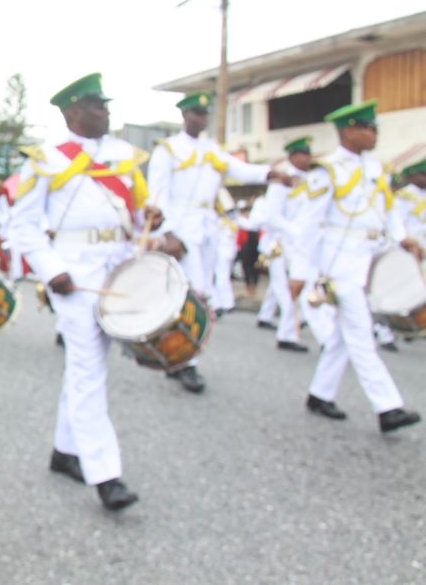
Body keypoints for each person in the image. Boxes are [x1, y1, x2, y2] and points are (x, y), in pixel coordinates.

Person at [8, 73, 158, 510]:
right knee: (89, 370)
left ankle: (63, 452)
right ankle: (106, 474)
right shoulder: (46, 159)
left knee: (88, 369)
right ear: (71, 111)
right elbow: (23, 225)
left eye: (105, 104)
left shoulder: (124, 157)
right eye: (95, 105)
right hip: (73, 275)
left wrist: (154, 226)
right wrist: (51, 269)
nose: (105, 111)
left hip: (119, 269)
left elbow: (135, 214)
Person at [147, 92, 294, 393]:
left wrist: (271, 174)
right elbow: (156, 194)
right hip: (181, 227)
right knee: (195, 294)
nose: (201, 119)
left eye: (205, 114)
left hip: (207, 228)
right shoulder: (168, 150)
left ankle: (174, 354)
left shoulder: (212, 150)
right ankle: (187, 363)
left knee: (194, 295)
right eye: (196, 114)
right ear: (184, 116)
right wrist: (169, 232)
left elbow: (241, 170)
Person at [294, 100, 420, 433]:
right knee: (361, 333)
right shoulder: (327, 171)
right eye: (368, 128)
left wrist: (402, 237)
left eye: (374, 127)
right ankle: (388, 407)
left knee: (340, 337)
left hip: (368, 259)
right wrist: (300, 274)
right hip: (339, 262)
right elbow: (306, 227)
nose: (375, 133)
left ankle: (320, 395)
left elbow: (389, 210)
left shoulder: (377, 169)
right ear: (348, 131)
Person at [251, 137, 314, 351]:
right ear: (292, 157)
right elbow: (272, 216)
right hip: (280, 243)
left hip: (300, 244)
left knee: (296, 288)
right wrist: (296, 231)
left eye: (308, 154)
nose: (307, 158)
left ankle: (287, 331)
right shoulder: (282, 181)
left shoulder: (311, 179)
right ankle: (288, 334)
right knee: (284, 290)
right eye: (303, 154)